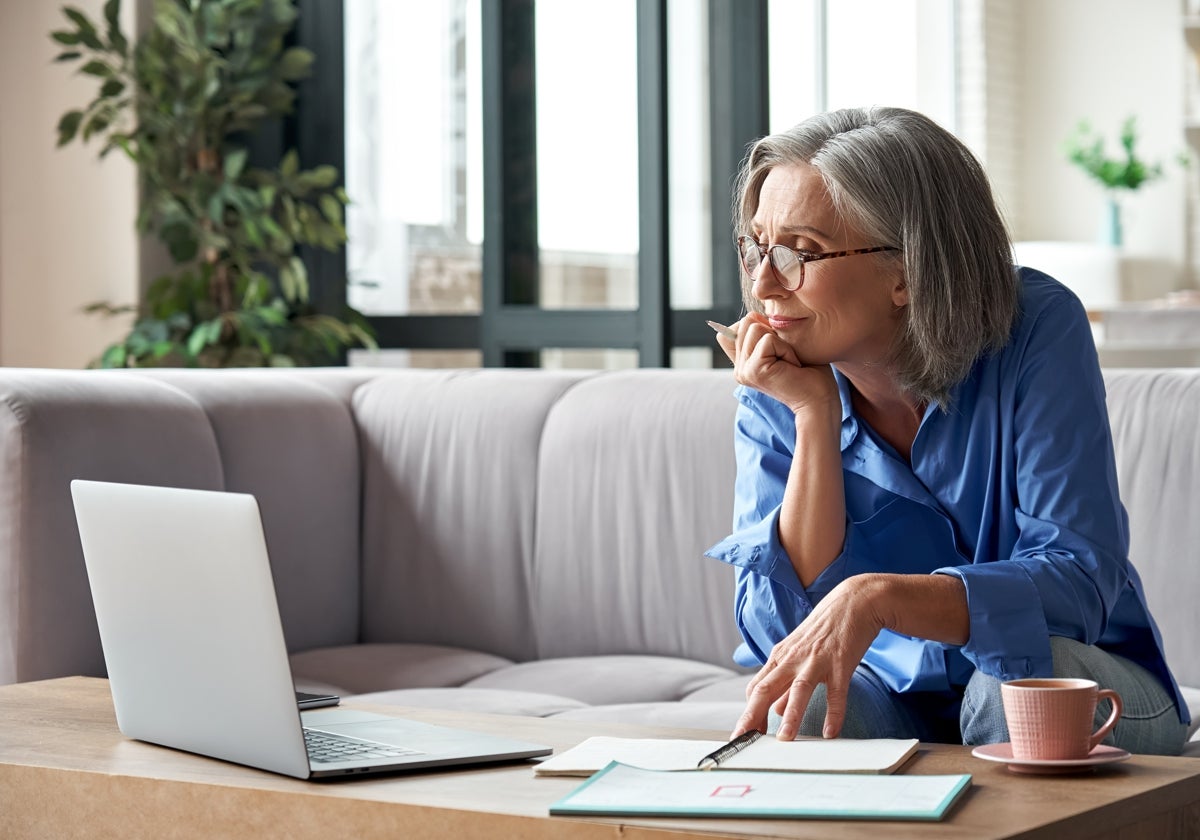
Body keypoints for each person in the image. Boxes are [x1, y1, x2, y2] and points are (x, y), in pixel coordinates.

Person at [704, 106, 1189, 755]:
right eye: (756, 247)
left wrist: (881, 599)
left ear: (907, 271)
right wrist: (813, 418)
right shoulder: (781, 373)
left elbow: (1079, 580)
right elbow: (781, 633)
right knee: (809, 702)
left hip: (1079, 675)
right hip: (894, 692)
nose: (764, 284)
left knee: (1011, 688)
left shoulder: (1037, 327)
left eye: (801, 252)